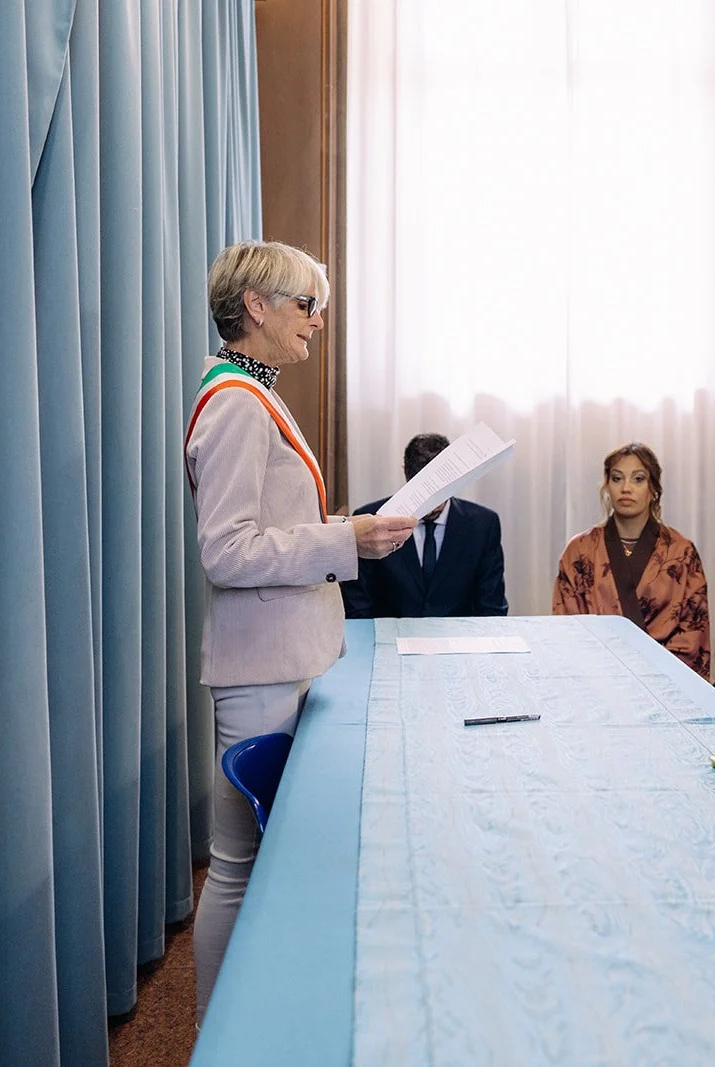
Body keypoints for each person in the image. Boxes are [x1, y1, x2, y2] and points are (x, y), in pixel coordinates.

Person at [184, 241, 416, 1022]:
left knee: (254, 864)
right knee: (239, 868)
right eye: (305, 306)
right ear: (256, 305)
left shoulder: (256, 394)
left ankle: (249, 1020)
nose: (317, 323)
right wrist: (344, 537)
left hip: (282, 656)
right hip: (260, 668)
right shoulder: (233, 403)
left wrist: (341, 532)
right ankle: (222, 1034)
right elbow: (226, 551)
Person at [553, 443, 711, 679]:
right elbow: (567, 627)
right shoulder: (579, 550)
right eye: (617, 479)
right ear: (607, 485)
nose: (626, 488)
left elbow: (693, 631)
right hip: (597, 677)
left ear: (653, 488)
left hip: (665, 680)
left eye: (638, 479)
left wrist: (649, 674)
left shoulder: (681, 551)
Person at [342, 432, 509, 618]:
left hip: (458, 640)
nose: (431, 499)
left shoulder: (483, 524)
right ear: (405, 472)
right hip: (389, 638)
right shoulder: (372, 522)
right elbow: (357, 605)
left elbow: (491, 606)